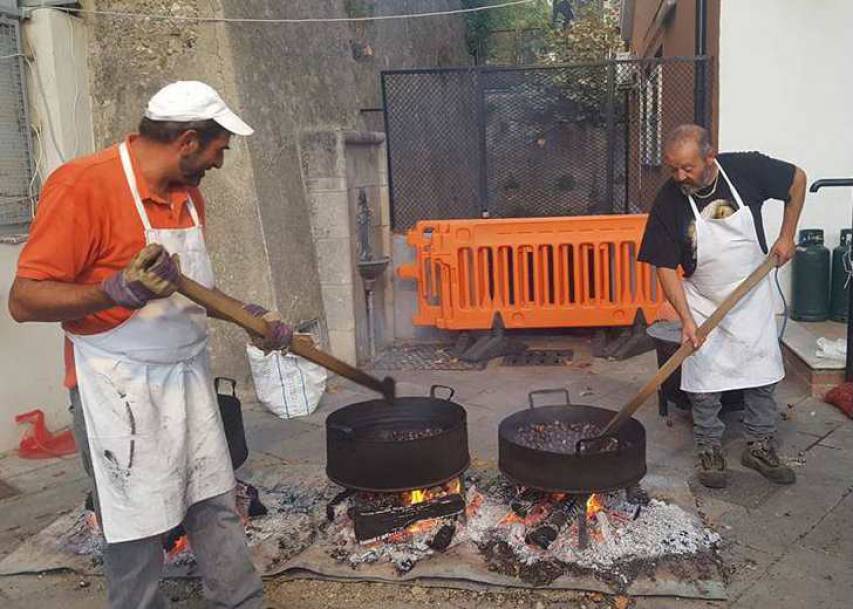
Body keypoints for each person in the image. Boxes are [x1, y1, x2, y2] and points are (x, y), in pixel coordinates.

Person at [8, 81, 289, 608]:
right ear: (187, 141)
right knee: (134, 522)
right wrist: (111, 291)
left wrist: (245, 314)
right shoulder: (83, 186)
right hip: (115, 384)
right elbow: (24, 300)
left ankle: (240, 602)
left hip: (184, 375)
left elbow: (188, 288)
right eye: (217, 150)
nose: (219, 163)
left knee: (213, 497)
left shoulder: (187, 196)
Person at [638, 124, 806, 489]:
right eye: (673, 168)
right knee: (704, 381)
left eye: (688, 167)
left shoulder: (746, 169)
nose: (680, 176)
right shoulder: (669, 199)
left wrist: (786, 236)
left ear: (709, 157)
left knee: (762, 374)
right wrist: (685, 319)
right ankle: (709, 448)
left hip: (751, 296)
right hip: (701, 299)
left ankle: (759, 446)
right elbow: (664, 267)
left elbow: (797, 180)